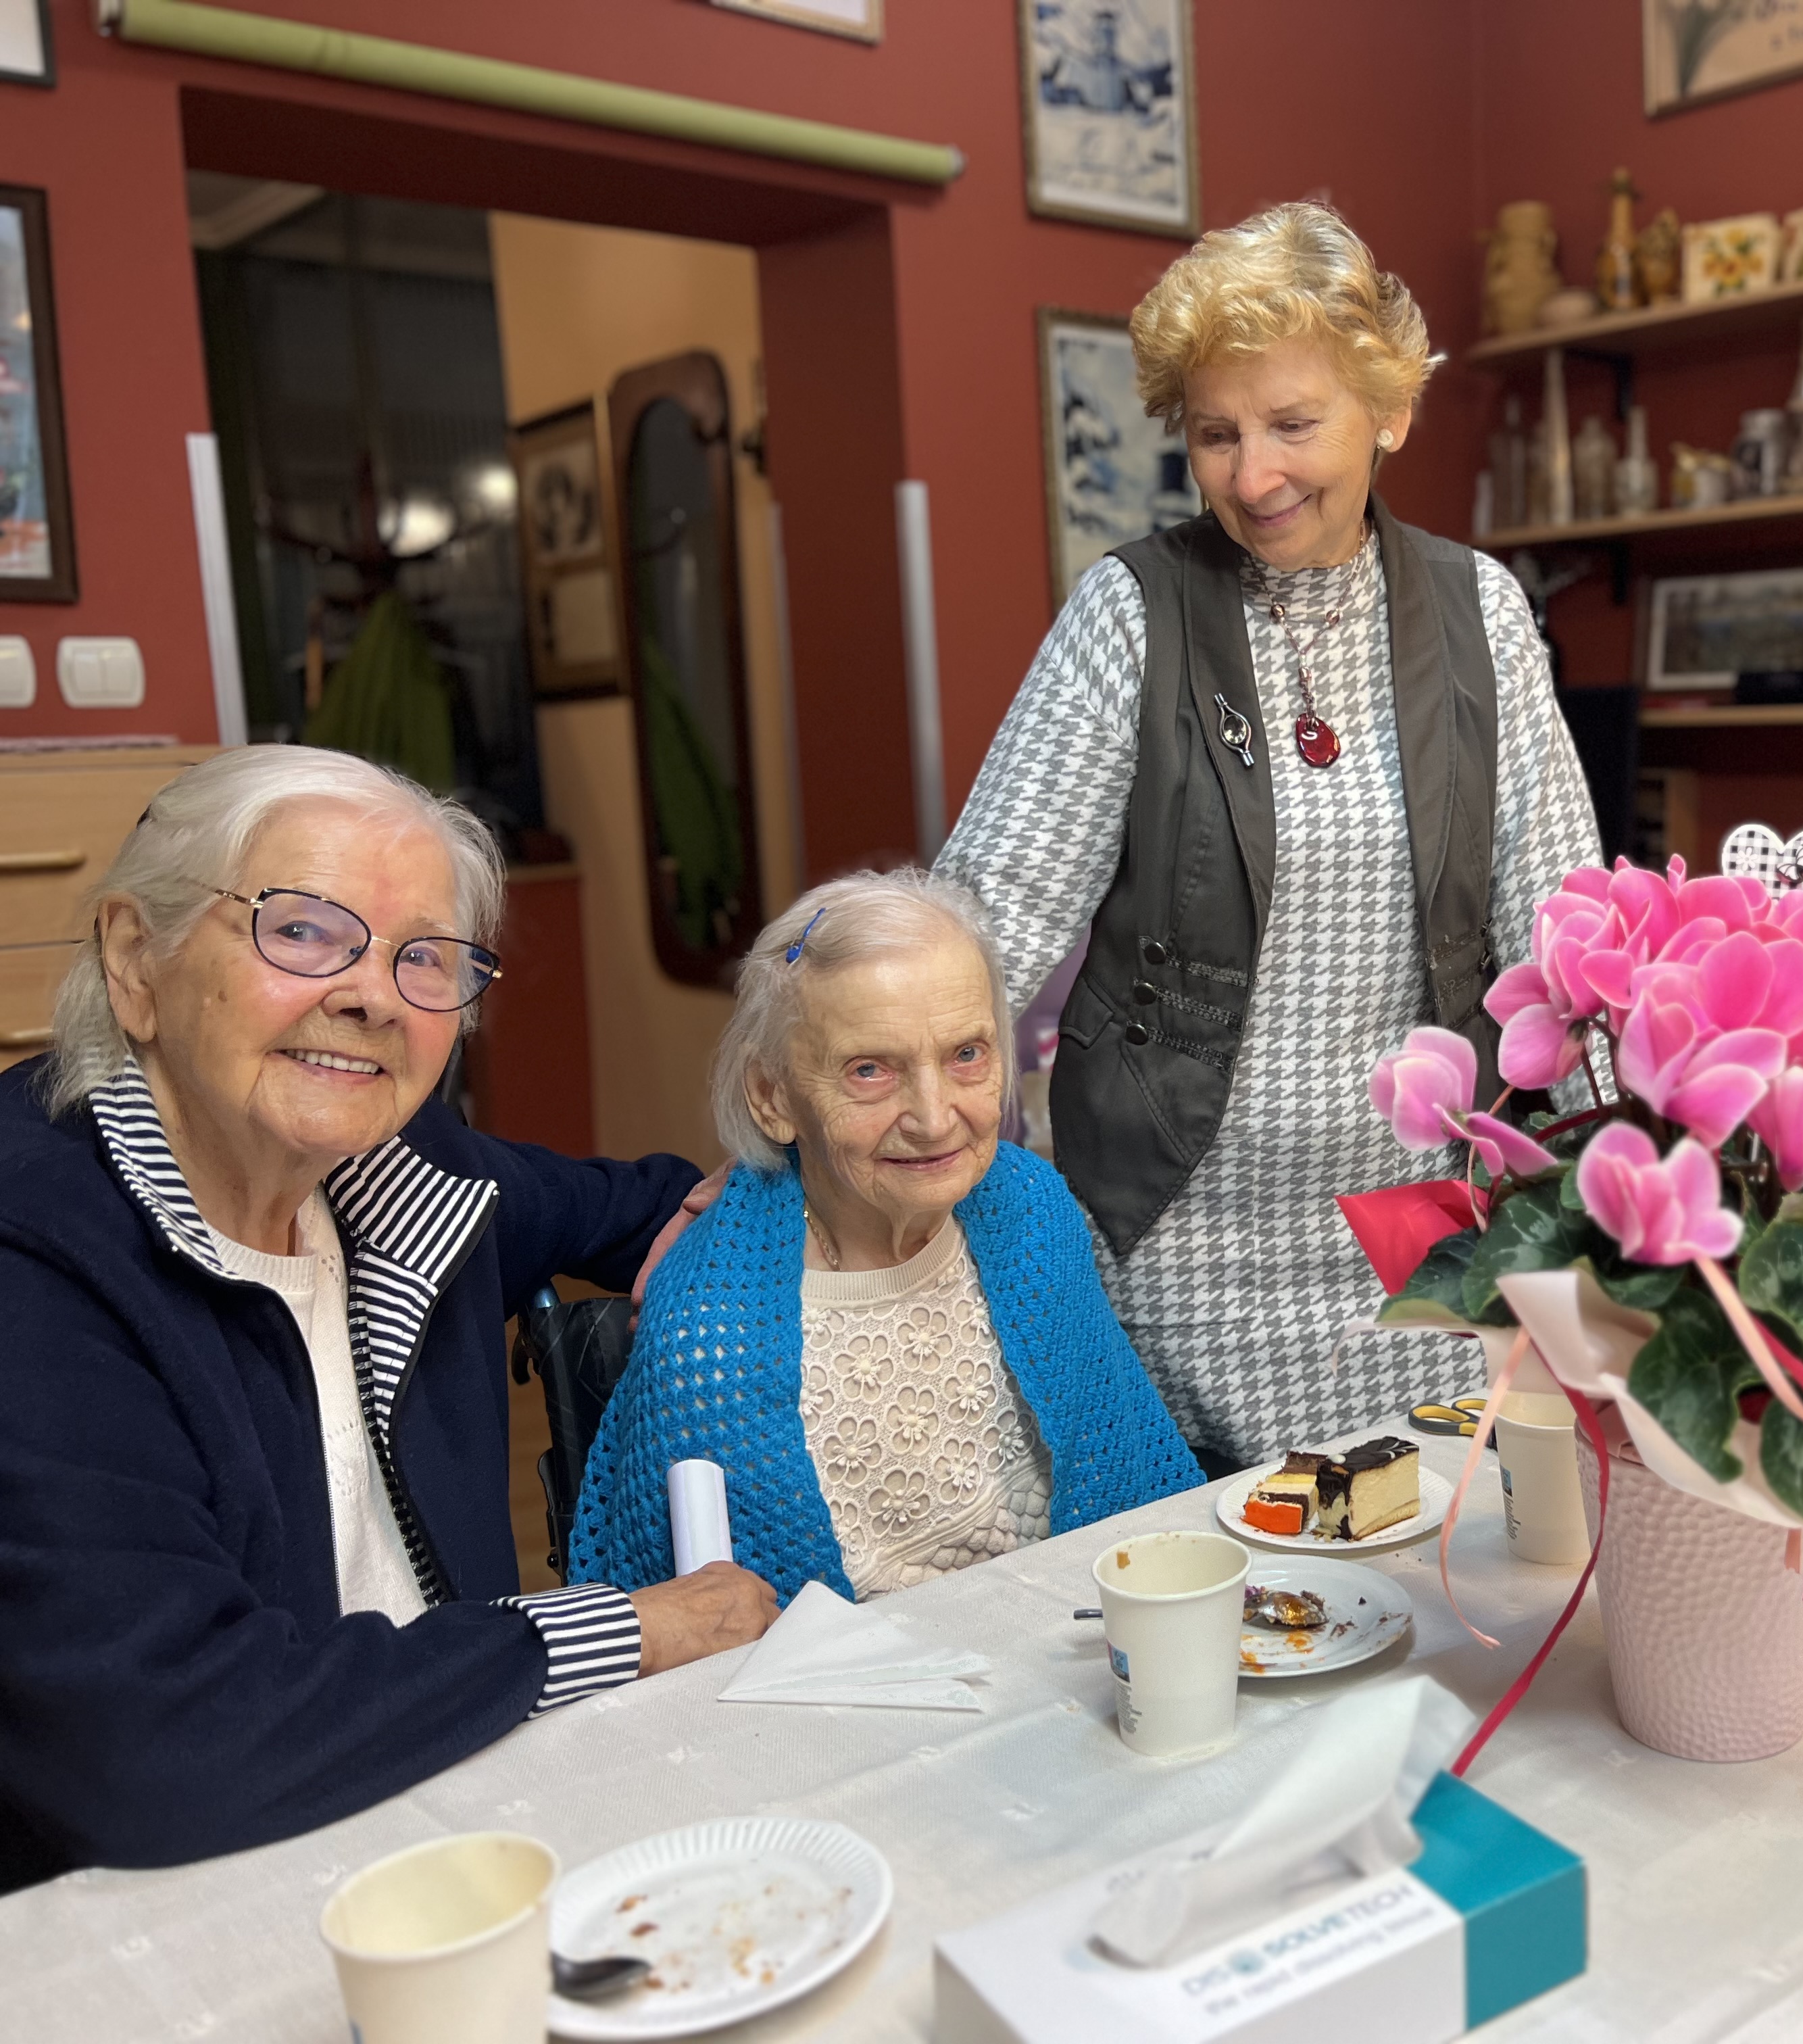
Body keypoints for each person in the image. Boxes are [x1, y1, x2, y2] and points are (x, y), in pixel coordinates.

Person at [0, 748, 777, 1889]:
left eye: (425, 957)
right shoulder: (38, 1259)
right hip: (166, 1908)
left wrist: (735, 1206)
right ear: (136, 961)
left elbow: (644, 1201)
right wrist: (619, 1627)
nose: (371, 993)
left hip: (451, 1822)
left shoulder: (403, 1173)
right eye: (303, 930)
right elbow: (167, 1746)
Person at [935, 201, 1602, 1468]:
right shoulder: (1130, 616)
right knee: (1239, 1600)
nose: (1253, 475)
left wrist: (1646, 1195)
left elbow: (1563, 943)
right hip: (1176, 1236)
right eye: (1215, 434)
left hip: (1422, 1232)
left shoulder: (1484, 618)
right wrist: (818, 1124)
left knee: (1420, 1582)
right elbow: (983, 919)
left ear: (1390, 409)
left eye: (1294, 423)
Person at [570, 872, 1202, 1601]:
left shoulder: (1033, 1214)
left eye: (967, 1055)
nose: (934, 1119)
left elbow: (1136, 1498)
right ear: (773, 1097)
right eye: (870, 1071)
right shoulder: (709, 1337)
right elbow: (684, 1661)